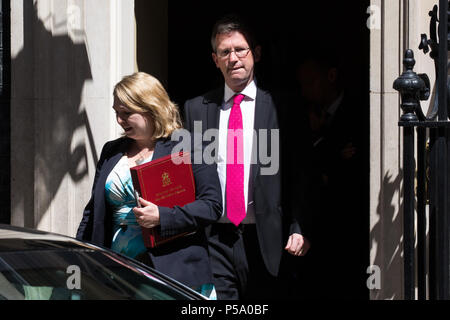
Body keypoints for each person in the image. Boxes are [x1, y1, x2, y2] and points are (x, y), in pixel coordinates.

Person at [183, 14, 310, 300]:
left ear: (257, 54)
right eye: (225, 52)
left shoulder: (283, 106)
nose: (233, 58)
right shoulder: (196, 109)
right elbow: (186, 172)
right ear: (215, 59)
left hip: (269, 238)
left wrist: (299, 226)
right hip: (215, 238)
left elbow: (301, 173)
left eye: (241, 49)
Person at [76, 72, 222, 299]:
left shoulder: (189, 147)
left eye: (126, 113)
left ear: (152, 108)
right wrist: (79, 256)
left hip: (174, 274)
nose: (119, 120)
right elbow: (93, 211)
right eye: (116, 113)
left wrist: (163, 217)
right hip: (117, 272)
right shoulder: (111, 151)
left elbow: (211, 206)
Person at [295, 49, 368, 299]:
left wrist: (329, 162)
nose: (304, 90)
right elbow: (304, 165)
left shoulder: (359, 112)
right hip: (316, 226)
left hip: (348, 225)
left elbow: (354, 169)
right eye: (301, 83)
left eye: (310, 82)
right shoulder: (304, 117)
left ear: (331, 76)